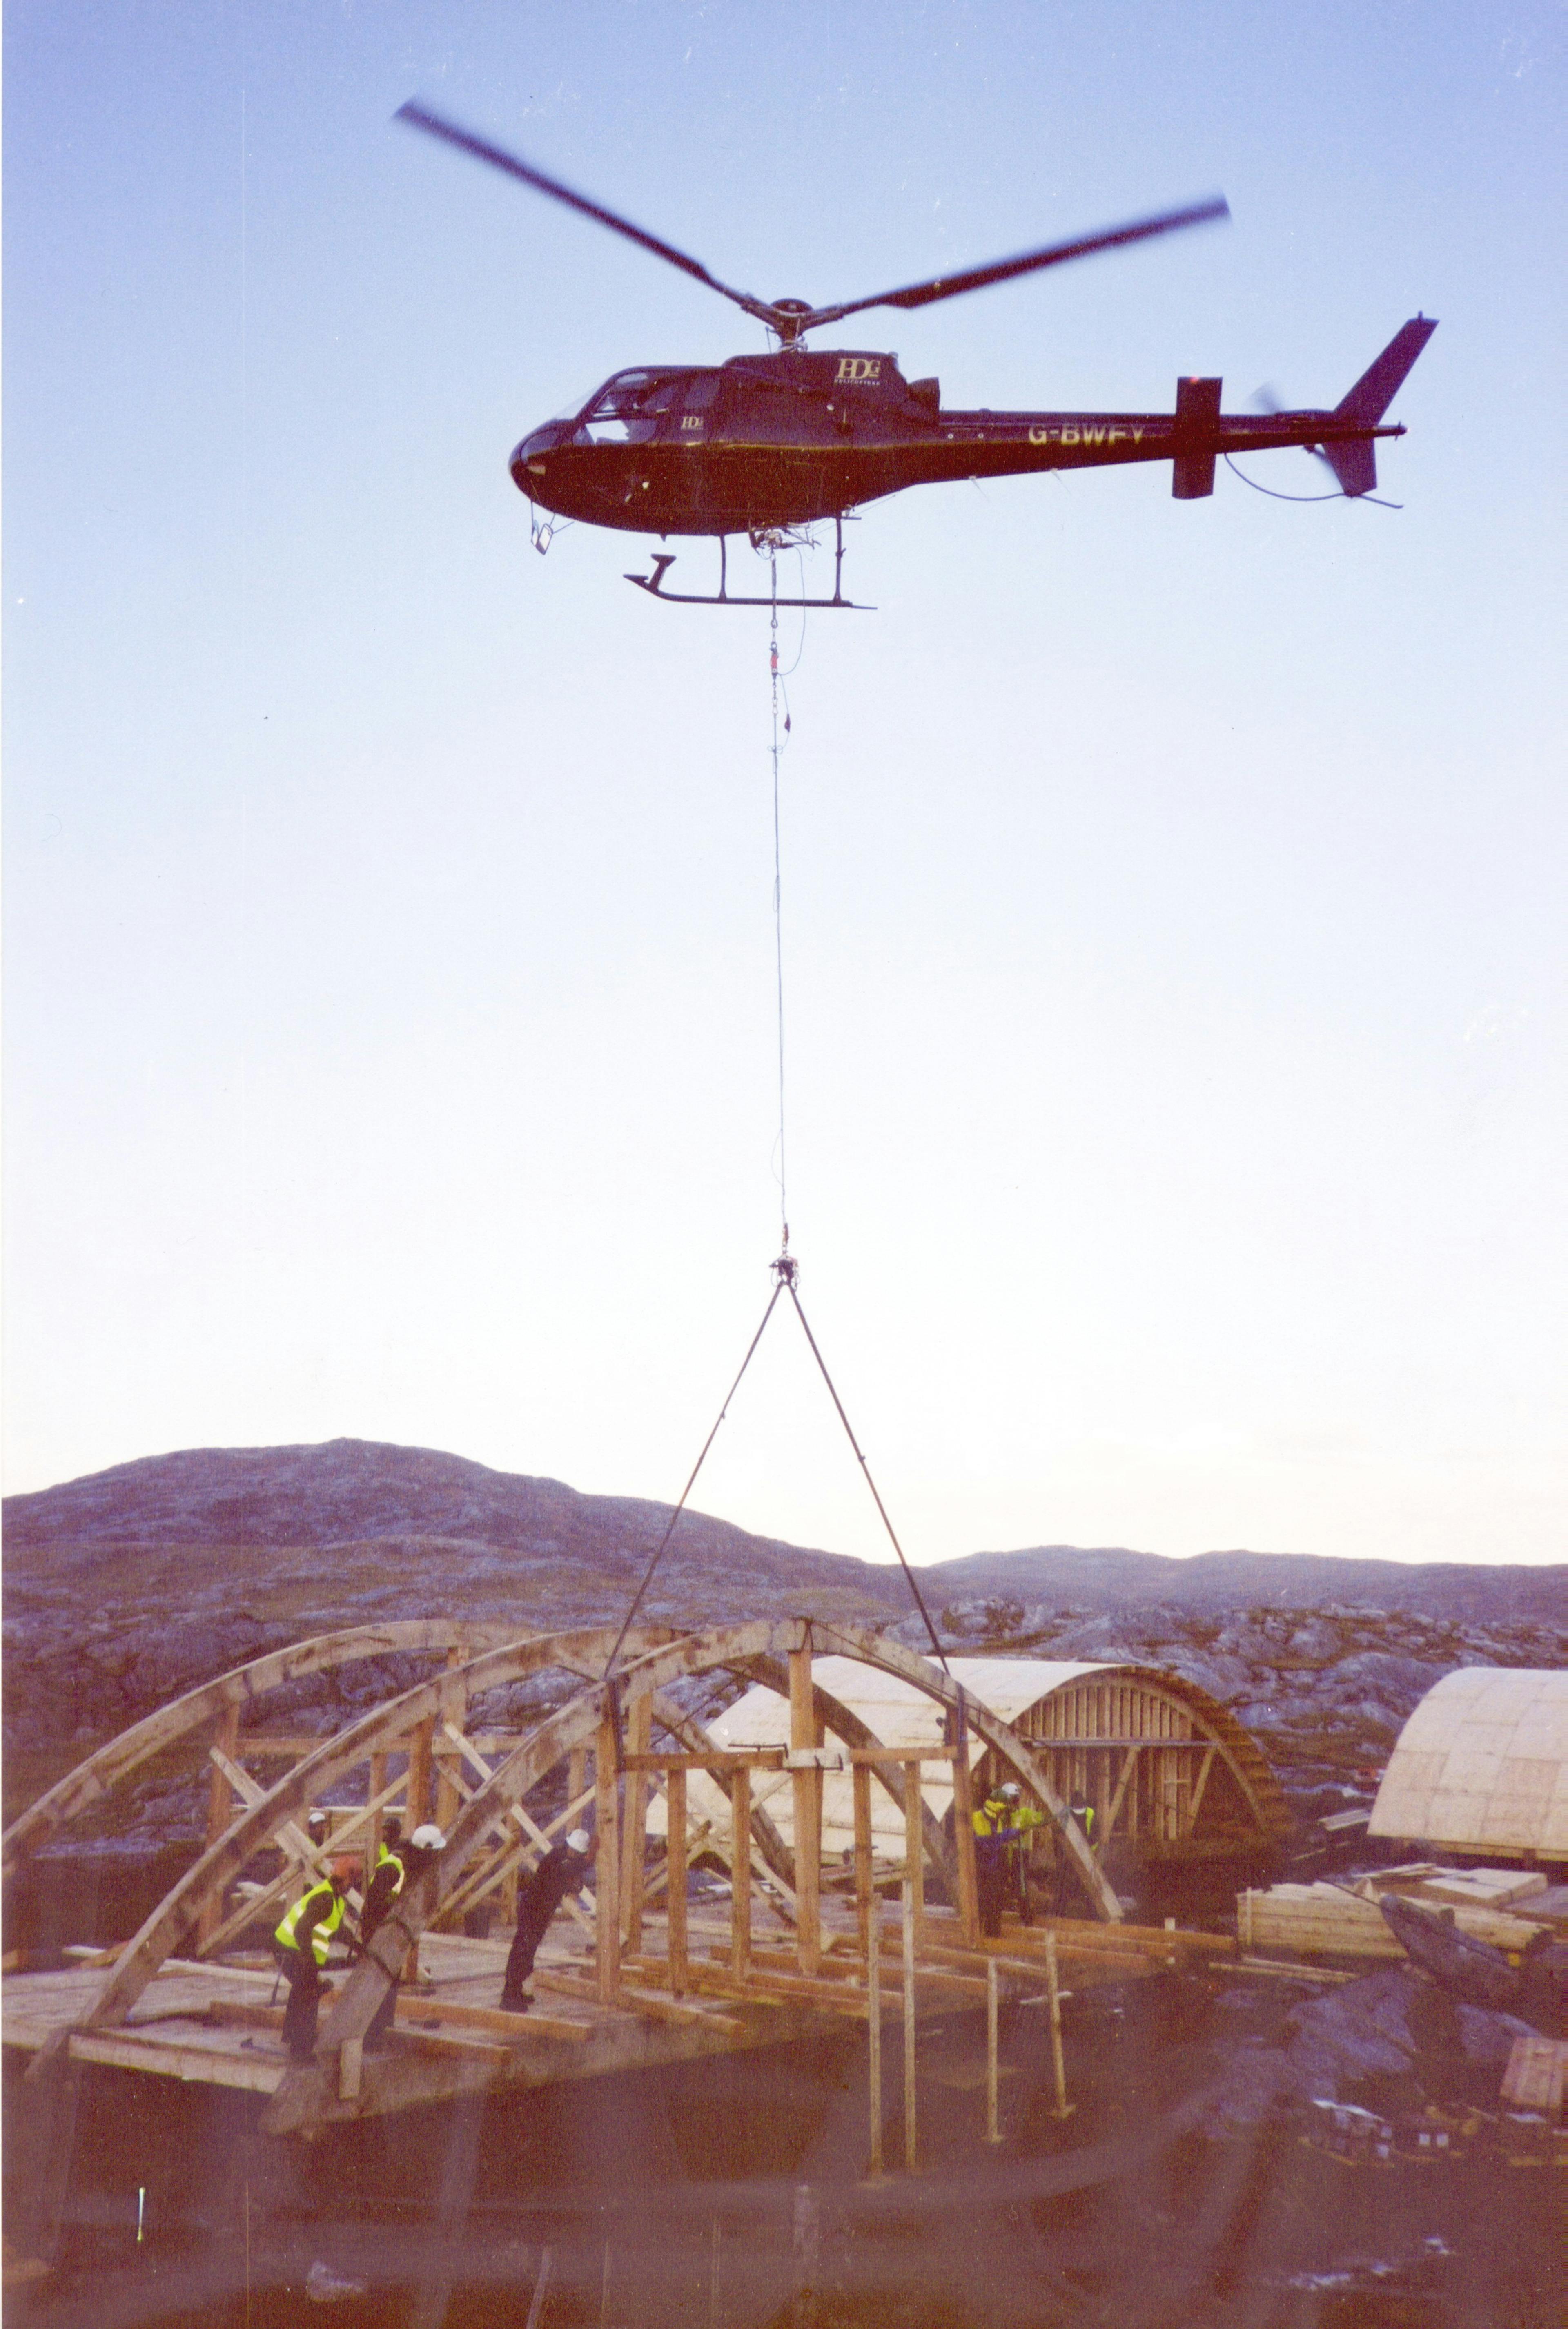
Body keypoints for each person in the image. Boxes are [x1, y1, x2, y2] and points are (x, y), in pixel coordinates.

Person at [358, 1819, 443, 2049]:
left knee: (390, 1982)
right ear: (424, 1850)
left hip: (389, 1929)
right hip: (378, 1930)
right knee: (379, 1982)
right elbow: (374, 1904)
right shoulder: (393, 1867)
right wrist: (382, 1934)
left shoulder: (412, 1862)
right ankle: (370, 2035)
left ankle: (383, 2029)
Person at [501, 1828, 597, 2012]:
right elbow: (574, 1871)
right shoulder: (558, 1860)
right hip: (532, 1910)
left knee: (528, 1952)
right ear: (568, 1846)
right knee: (522, 1951)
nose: (574, 1854)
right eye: (573, 1850)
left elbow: (576, 1878)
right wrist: (592, 1853)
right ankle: (509, 1996)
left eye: (578, 1853)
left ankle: (518, 1991)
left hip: (541, 1913)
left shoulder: (565, 1858)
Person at [274, 1856, 359, 2061]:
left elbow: (338, 1931)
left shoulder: (337, 1900)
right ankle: (301, 2049)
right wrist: (309, 1961)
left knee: (305, 1989)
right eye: (352, 1882)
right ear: (346, 1879)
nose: (352, 1888)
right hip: (288, 1948)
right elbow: (302, 1929)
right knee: (309, 1990)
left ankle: (296, 2040)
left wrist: (360, 1949)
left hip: (295, 1948)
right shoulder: (325, 1899)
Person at [995, 1781, 1045, 1924]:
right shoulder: (1000, 1817)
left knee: (1020, 1887)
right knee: (999, 1885)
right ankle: (994, 1918)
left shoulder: (1025, 1814)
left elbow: (1042, 1819)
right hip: (1004, 1853)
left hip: (1019, 1855)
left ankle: (1027, 1918)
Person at [971, 1785, 1014, 1939]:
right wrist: (1011, 1834)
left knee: (994, 1905)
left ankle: (991, 1936)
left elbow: (999, 1838)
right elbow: (989, 1842)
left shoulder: (997, 1818)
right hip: (983, 1869)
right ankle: (984, 1936)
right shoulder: (979, 1818)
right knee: (985, 1904)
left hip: (993, 1868)